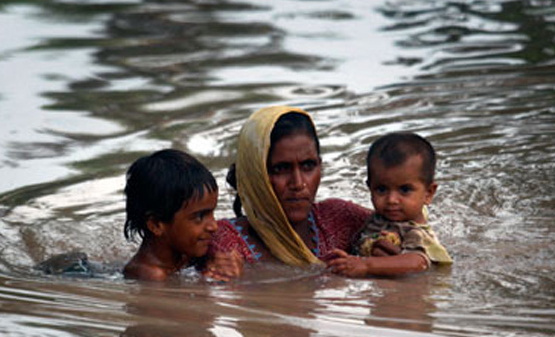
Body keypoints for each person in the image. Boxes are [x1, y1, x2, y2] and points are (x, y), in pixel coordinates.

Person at [206, 106, 372, 270]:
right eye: (281, 169)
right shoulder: (224, 243)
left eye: (308, 166)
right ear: (255, 175)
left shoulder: (342, 219)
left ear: (320, 166)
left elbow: (394, 231)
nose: (298, 184)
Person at [328, 132, 452, 277]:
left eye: (405, 190)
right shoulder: (380, 218)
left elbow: (418, 262)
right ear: (370, 187)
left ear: (428, 193)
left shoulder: (414, 231)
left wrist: (365, 265)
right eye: (381, 189)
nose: (391, 200)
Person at [123, 149, 241, 281]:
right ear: (156, 225)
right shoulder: (150, 276)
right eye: (199, 217)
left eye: (212, 212)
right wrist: (209, 281)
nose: (213, 226)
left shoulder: (185, 254)